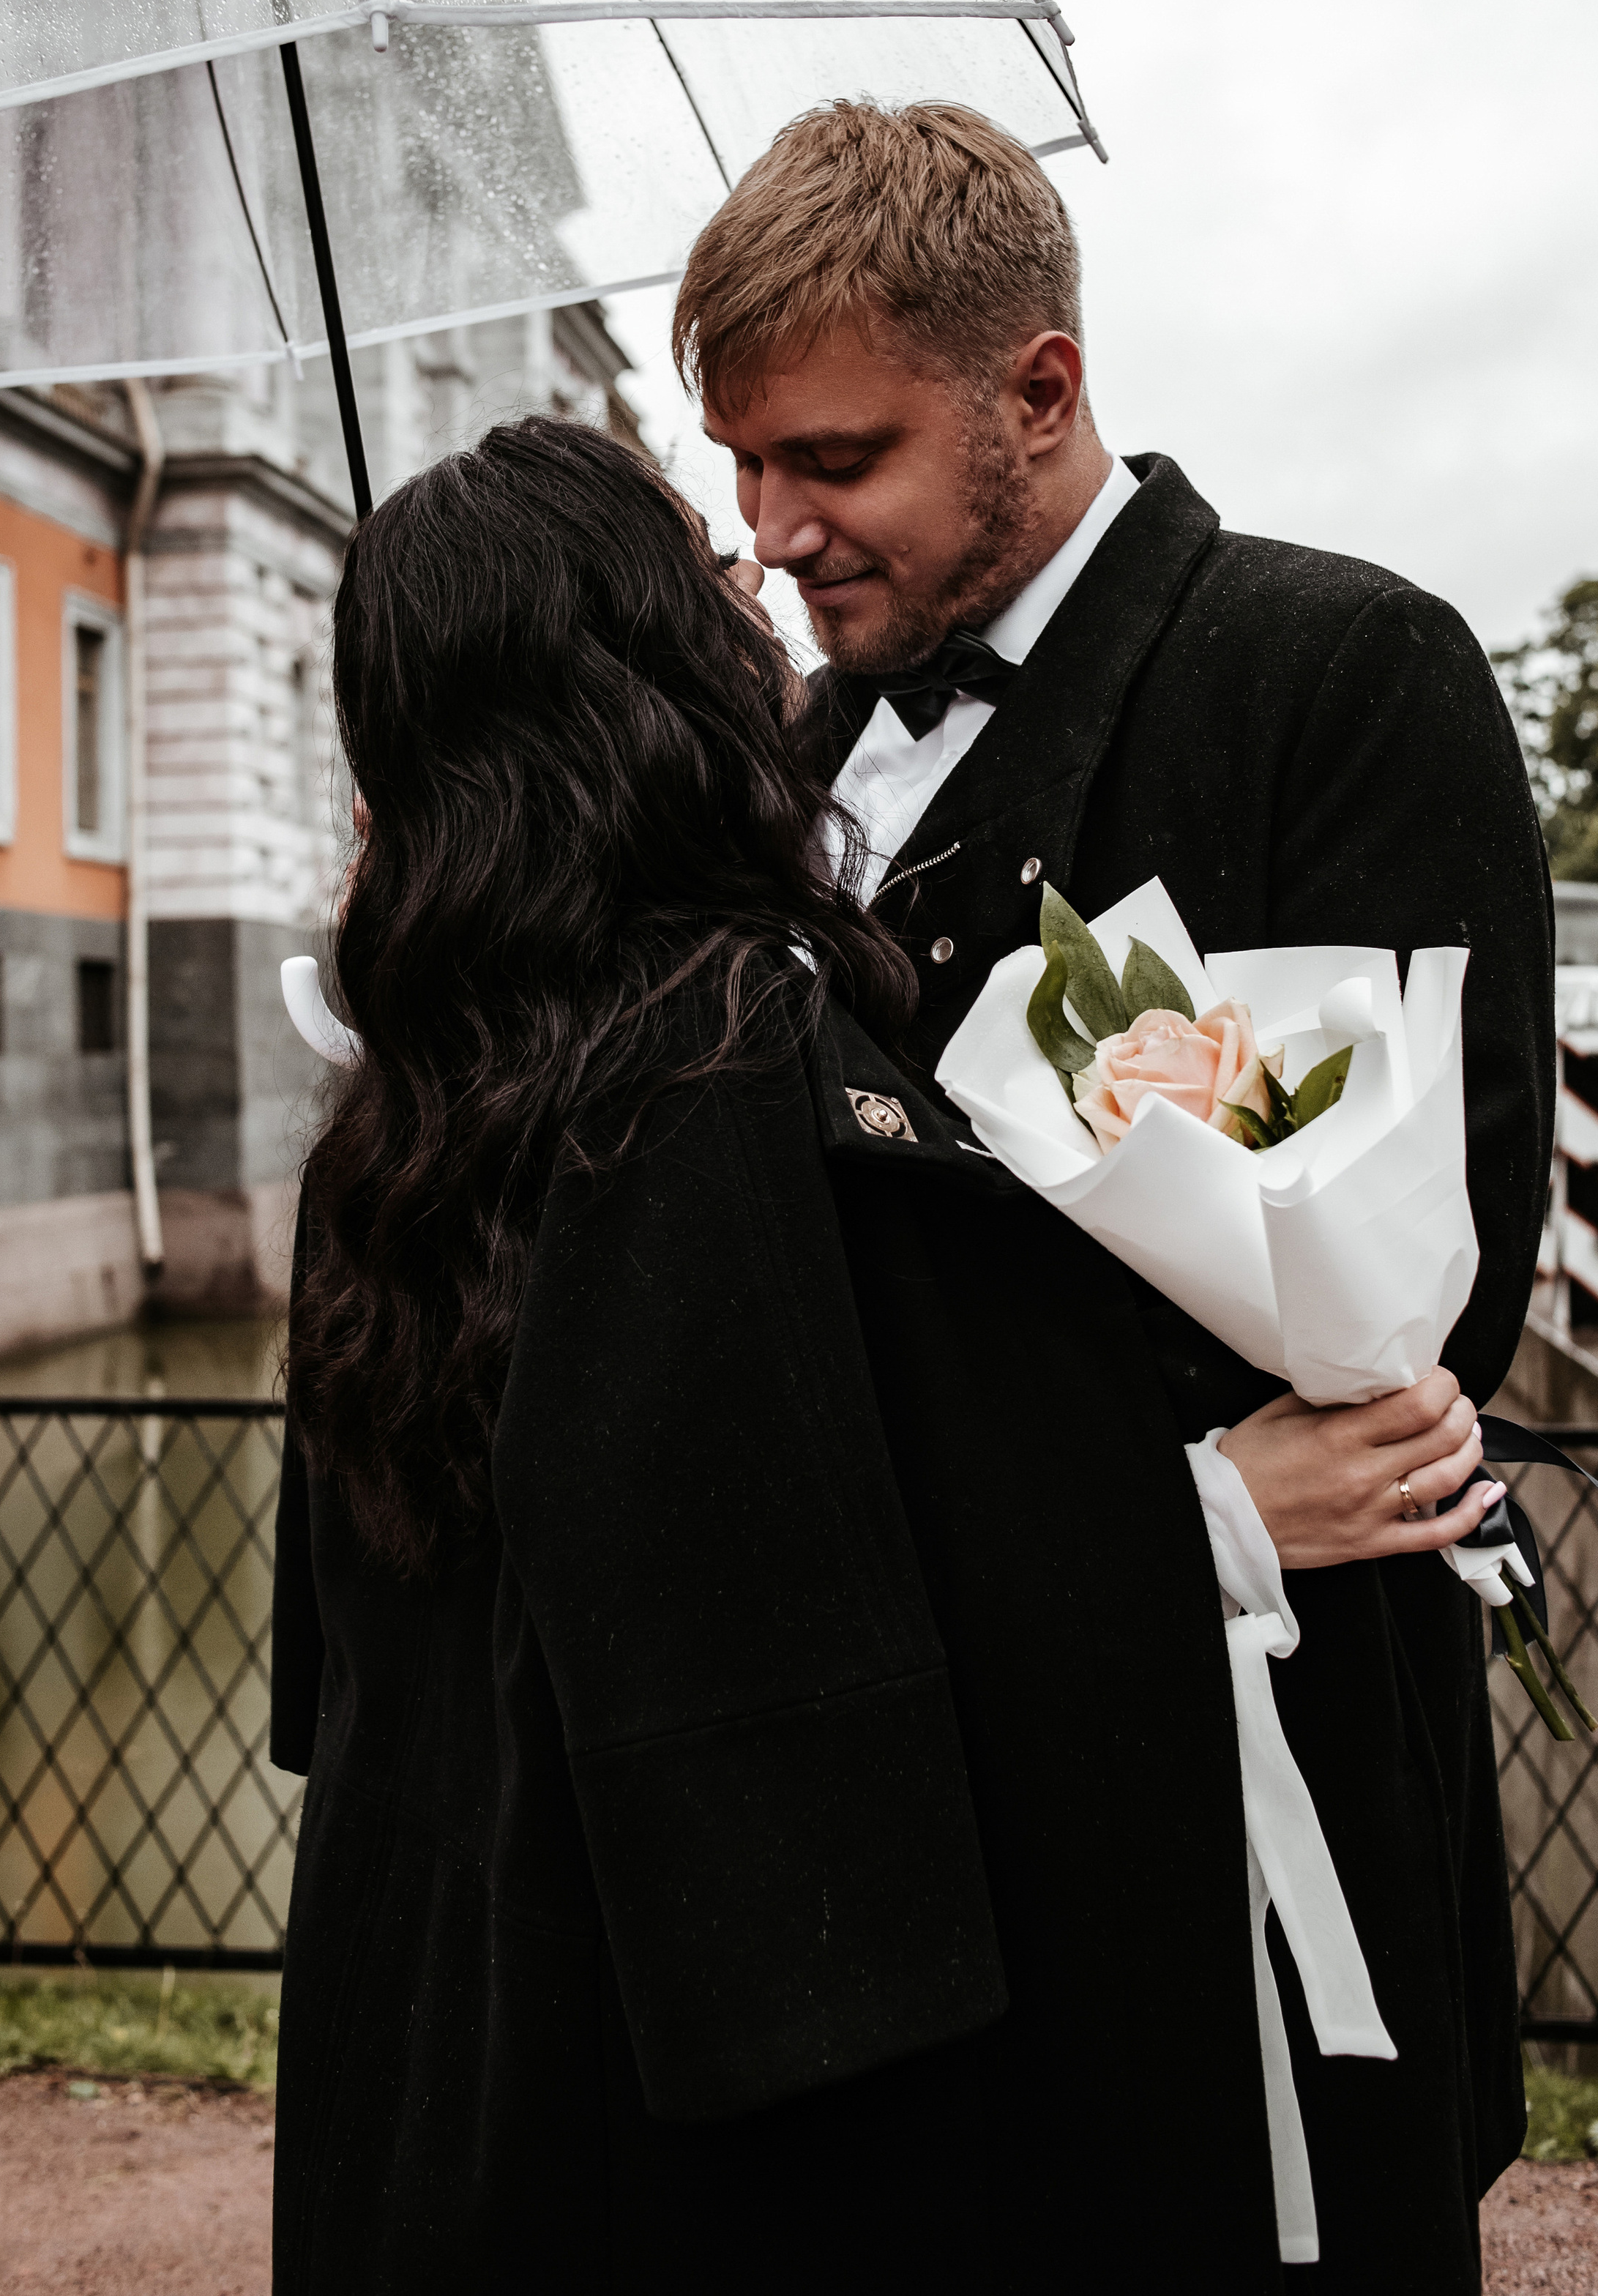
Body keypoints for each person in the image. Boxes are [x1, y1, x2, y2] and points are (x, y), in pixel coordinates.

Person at [267, 414, 1507, 2294]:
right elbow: (763, 1651)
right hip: (665, 2085)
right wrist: (1209, 1522)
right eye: (697, 563)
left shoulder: (404, 1111)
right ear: (634, 675)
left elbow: (352, 1661)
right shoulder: (701, 1060)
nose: (751, 569)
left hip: (437, 2009)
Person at [679, 99, 1556, 2294]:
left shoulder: (1337, 673)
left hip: (1241, 1767)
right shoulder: (770, 763)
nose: (773, 531)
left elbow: (1432, 1280)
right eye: (746, 467)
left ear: (1040, 388)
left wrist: (1186, 1519)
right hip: (906, 1781)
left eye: (834, 459)